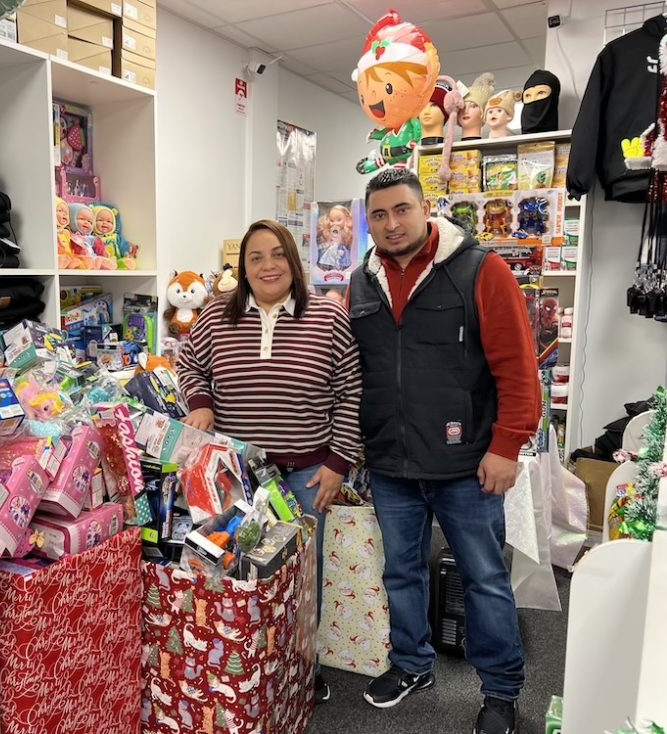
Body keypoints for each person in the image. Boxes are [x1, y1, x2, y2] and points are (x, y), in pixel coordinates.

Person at [348, 169, 539, 734]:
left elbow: (517, 366)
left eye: (402, 209)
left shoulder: (480, 269)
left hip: (466, 463)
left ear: (425, 208)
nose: (391, 223)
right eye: (379, 214)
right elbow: (359, 371)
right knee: (401, 573)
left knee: (484, 578)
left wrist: (507, 445)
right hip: (391, 463)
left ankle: (501, 691)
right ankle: (412, 664)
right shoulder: (362, 281)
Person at [176, 218, 362, 705]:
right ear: (243, 268)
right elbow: (189, 364)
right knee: (232, 569)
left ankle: (302, 671)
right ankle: (245, 667)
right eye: (255, 258)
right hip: (236, 477)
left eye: (277, 254)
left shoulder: (328, 315)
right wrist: (201, 402)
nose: (267, 266)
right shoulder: (217, 316)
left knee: (299, 576)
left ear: (294, 262)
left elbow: (351, 392)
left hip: (306, 475)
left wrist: (338, 462)